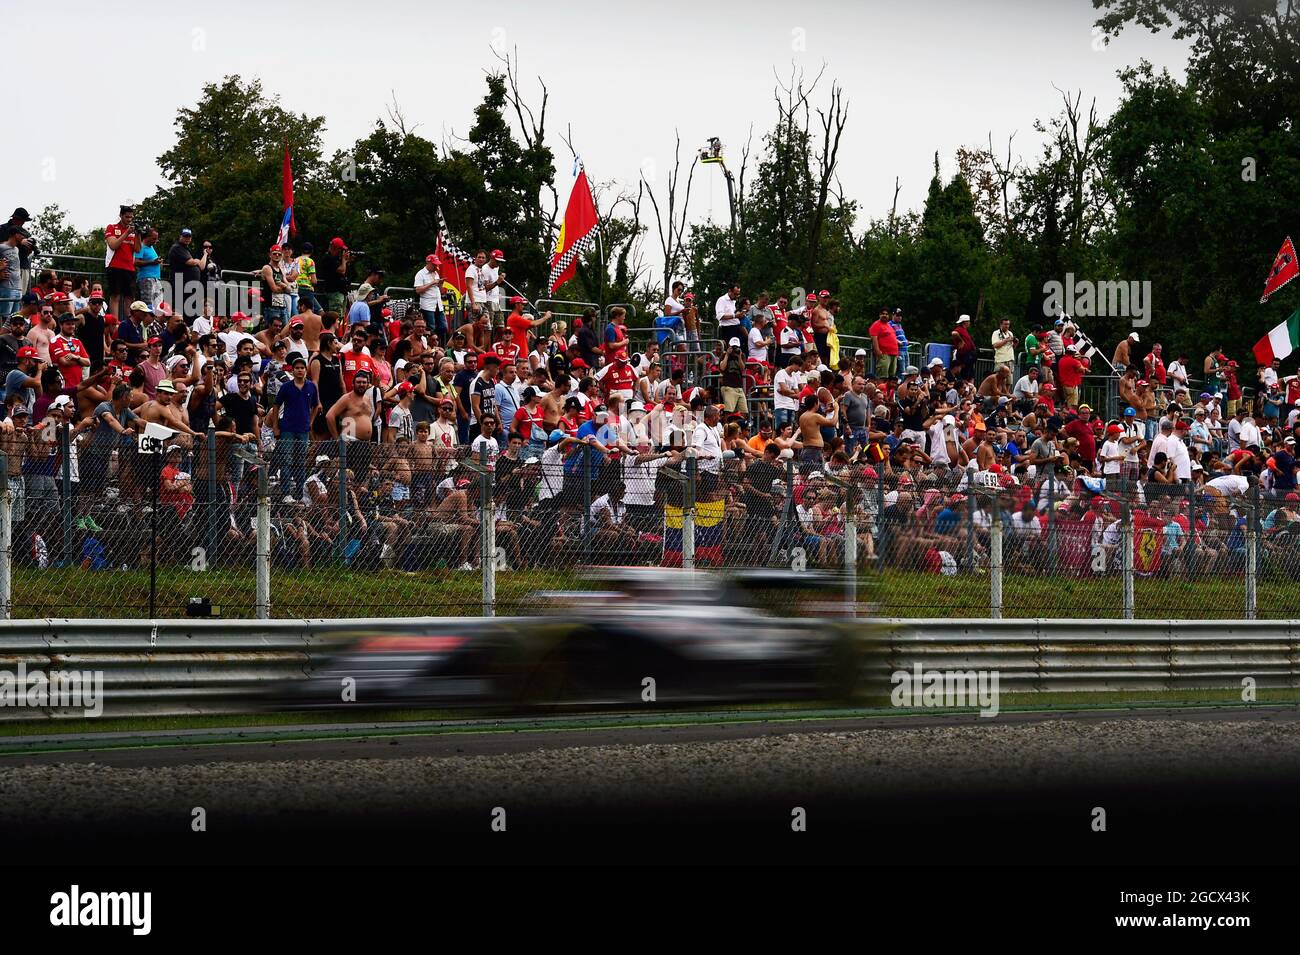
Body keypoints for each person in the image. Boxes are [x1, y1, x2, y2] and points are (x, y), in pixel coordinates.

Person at [104, 205, 138, 321]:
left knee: (129, 297)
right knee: (115, 295)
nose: (129, 220)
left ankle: (129, 322)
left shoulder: (133, 231)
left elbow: (137, 249)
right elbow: (113, 245)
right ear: (121, 216)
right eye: (127, 217)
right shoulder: (112, 227)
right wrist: (126, 233)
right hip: (114, 266)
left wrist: (138, 235)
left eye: (131, 217)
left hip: (130, 268)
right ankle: (115, 322)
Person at [166, 227, 209, 320]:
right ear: (180, 236)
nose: (187, 238)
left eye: (189, 237)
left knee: (191, 310)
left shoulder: (186, 249)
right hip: (181, 283)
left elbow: (201, 266)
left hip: (190, 286)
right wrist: (196, 261)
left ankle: (188, 327)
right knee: (182, 308)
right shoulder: (177, 247)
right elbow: (191, 262)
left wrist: (204, 255)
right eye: (185, 236)